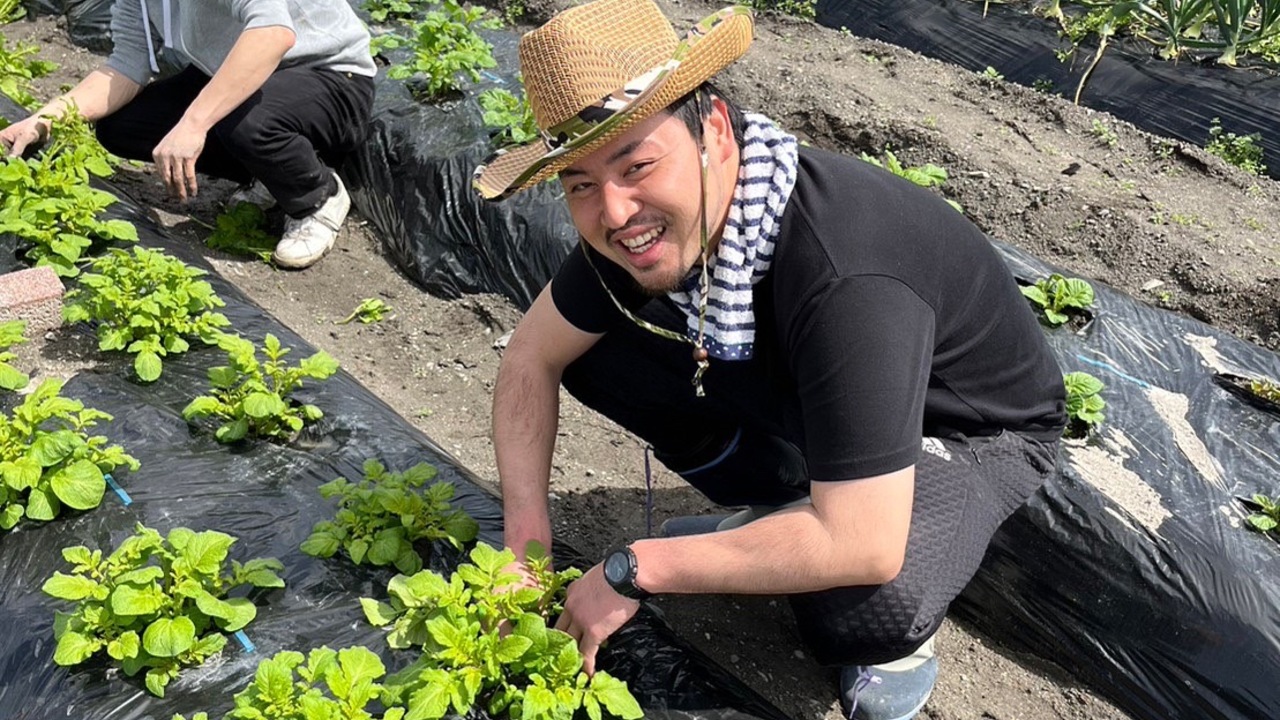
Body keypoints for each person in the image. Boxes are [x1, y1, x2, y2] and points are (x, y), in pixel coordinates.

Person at [473, 1, 1066, 718]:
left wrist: (637, 569)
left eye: (639, 165)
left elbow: (866, 545)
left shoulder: (847, 273)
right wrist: (523, 552)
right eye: (583, 186)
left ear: (714, 132)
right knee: (597, 356)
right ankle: (784, 503)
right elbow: (530, 358)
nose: (617, 211)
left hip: (966, 427)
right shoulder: (647, 231)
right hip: (821, 394)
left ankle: (834, 556)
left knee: (863, 607)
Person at [0, 0, 376, 269]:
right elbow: (125, 66)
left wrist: (194, 124)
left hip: (331, 75)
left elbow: (272, 35)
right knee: (121, 127)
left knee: (244, 124)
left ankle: (317, 196)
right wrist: (44, 119)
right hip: (238, 70)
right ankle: (268, 169)